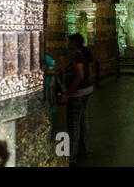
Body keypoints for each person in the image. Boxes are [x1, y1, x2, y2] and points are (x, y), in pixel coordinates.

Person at [59, 33, 94, 167]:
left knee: (73, 124)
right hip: (86, 91)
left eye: (68, 42)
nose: (66, 44)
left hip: (78, 94)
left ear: (73, 43)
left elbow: (79, 76)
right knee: (83, 120)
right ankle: (83, 150)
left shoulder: (77, 57)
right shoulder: (80, 54)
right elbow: (87, 72)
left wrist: (67, 93)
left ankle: (71, 157)